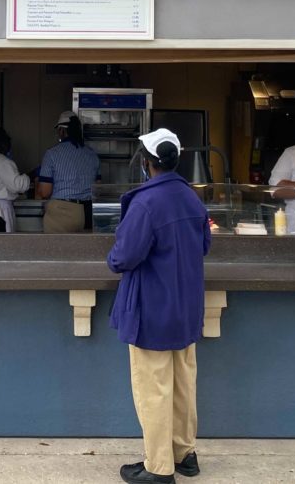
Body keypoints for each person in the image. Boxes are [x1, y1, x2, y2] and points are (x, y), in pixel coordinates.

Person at [108, 128, 211, 484]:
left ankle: (159, 467)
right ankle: (185, 454)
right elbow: (204, 245)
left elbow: (124, 257)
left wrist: (112, 255)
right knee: (183, 384)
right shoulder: (191, 198)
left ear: (147, 162)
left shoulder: (146, 203)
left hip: (152, 307)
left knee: (154, 389)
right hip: (186, 306)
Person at [38, 110, 101, 233]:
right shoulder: (92, 154)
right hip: (88, 212)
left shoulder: (52, 154)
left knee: (57, 245)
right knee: (84, 246)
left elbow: (45, 192)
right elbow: (98, 188)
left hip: (62, 212)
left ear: (62, 130)